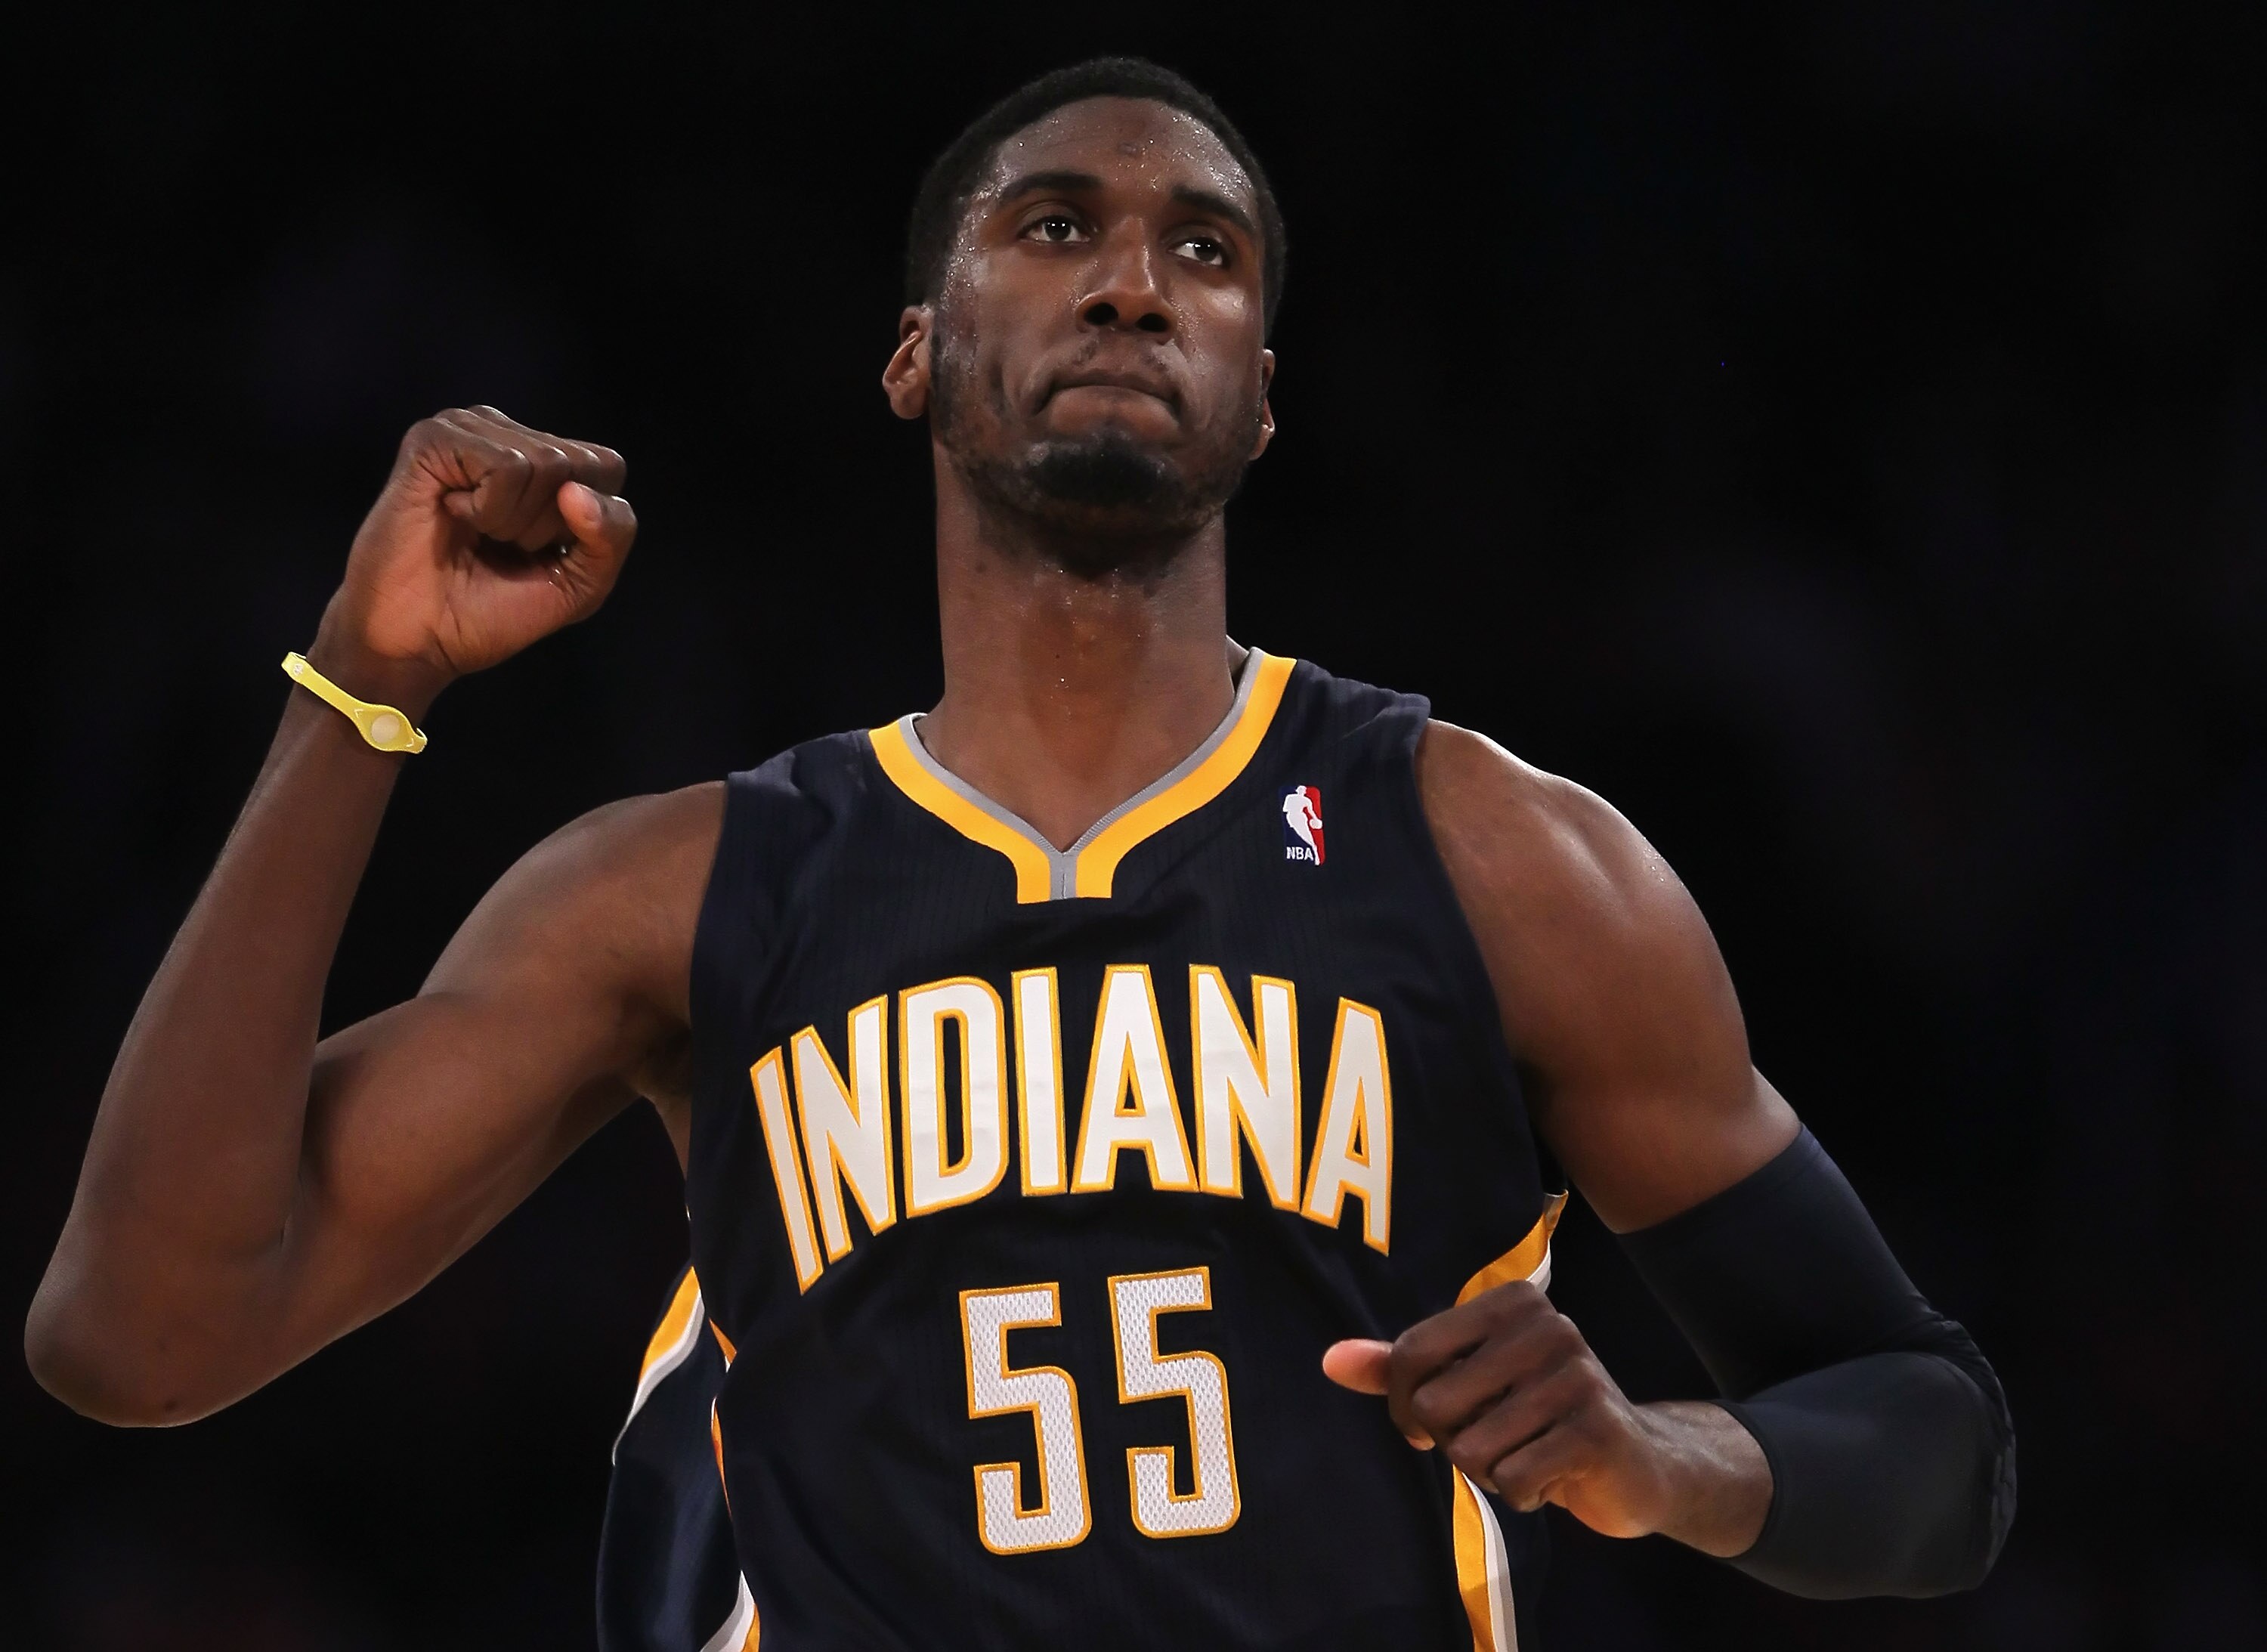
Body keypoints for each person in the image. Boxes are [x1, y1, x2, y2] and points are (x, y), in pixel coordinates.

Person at [28, 57, 2014, 1651]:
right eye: (1055, 225)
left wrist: (1671, 1457)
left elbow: (1937, 1438)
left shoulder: (1500, 858)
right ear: (913, 356)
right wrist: (357, 691)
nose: (1132, 280)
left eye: (1205, 252)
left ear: (1257, 398)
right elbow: (141, 1332)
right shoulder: (685, 891)